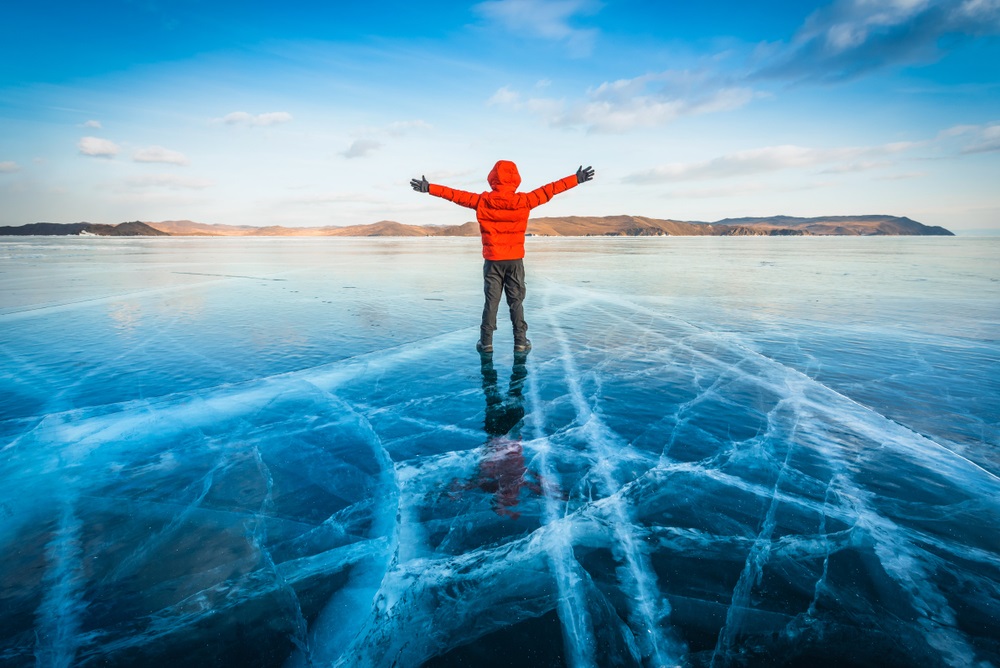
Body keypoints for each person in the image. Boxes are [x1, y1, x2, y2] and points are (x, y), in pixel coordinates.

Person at [411, 161, 594, 354]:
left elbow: (455, 195)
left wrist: (429, 188)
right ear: (516, 179)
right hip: (514, 261)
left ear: (492, 179)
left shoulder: (482, 200)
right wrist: (576, 179)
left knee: (491, 301)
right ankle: (521, 341)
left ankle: (486, 342)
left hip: (492, 261)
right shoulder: (525, 200)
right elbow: (550, 190)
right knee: (516, 302)